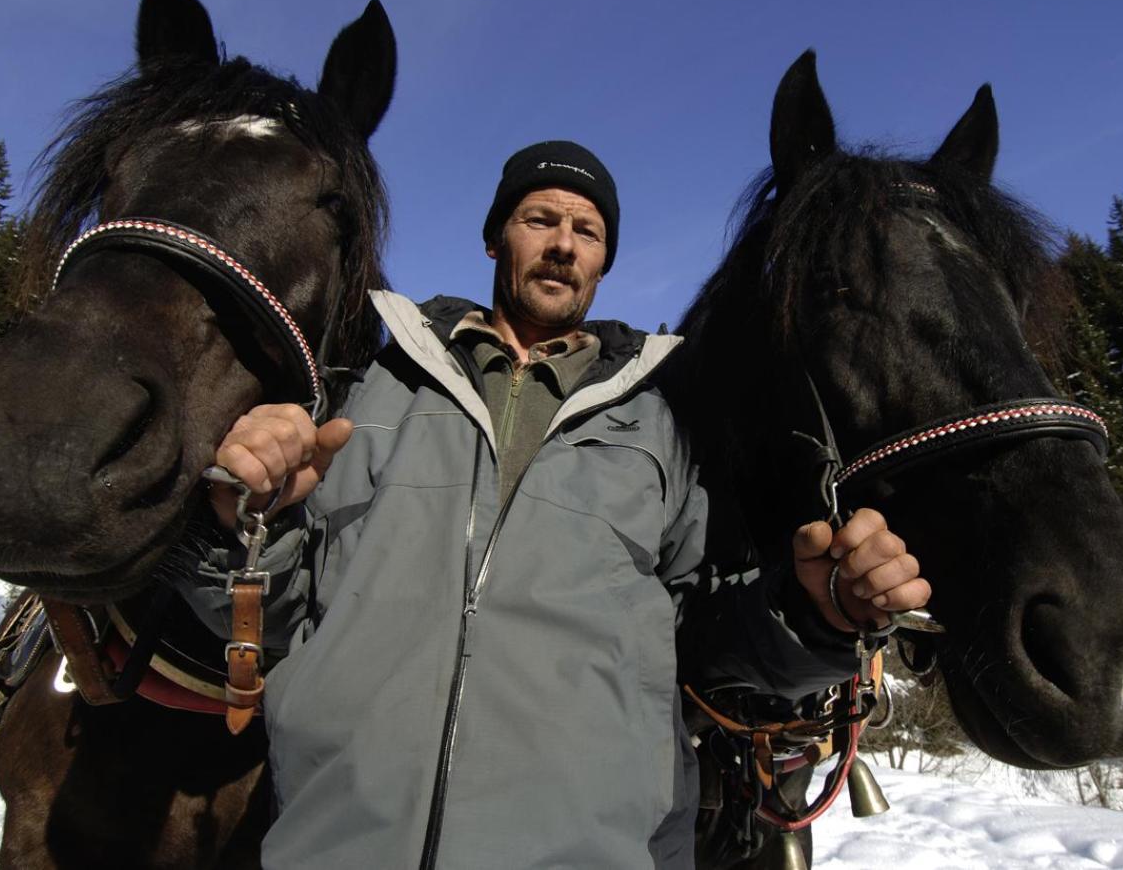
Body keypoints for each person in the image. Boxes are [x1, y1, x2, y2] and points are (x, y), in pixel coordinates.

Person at [187, 141, 931, 869]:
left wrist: (813, 615)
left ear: (604, 259)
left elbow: (702, 643)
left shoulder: (663, 420)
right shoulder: (373, 388)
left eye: (587, 230)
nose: (562, 246)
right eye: (539, 219)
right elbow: (275, 619)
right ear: (492, 239)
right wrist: (241, 524)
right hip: (341, 839)